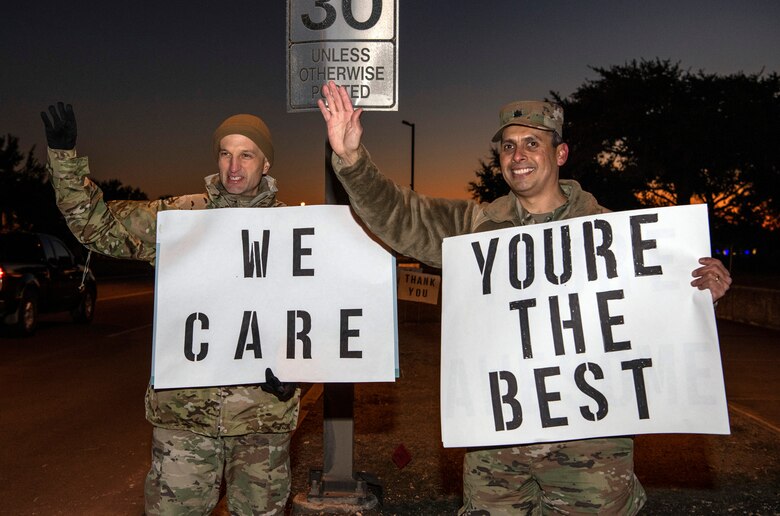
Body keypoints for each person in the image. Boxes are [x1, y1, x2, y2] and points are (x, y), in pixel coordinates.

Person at [317, 80, 732, 514]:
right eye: (508, 146)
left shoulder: (613, 232)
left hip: (591, 451)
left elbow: (653, 314)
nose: (518, 156)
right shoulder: (474, 228)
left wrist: (702, 296)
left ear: (560, 154)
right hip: (498, 449)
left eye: (532, 143)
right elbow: (400, 214)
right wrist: (351, 159)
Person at [41, 102, 299, 515]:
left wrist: (303, 369)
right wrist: (64, 157)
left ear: (265, 162)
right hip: (184, 420)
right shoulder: (179, 218)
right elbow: (96, 226)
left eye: (246, 154)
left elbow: (321, 316)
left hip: (261, 420)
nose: (234, 166)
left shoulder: (296, 234)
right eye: (225, 153)